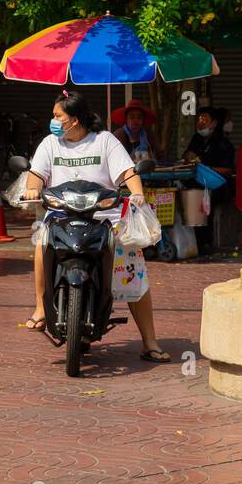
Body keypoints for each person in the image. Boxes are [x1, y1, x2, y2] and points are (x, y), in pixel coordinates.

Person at [21, 90, 169, 362]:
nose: (53, 120)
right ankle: (41, 307)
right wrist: (32, 189)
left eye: (57, 116)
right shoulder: (50, 144)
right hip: (61, 217)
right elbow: (35, 175)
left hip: (106, 219)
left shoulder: (104, 141)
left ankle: (150, 342)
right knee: (41, 242)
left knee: (133, 274)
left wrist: (136, 193)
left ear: (74, 120)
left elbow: (128, 173)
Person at [181, 105, 235, 255]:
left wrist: (208, 168)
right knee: (187, 192)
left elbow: (228, 170)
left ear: (214, 123)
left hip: (219, 185)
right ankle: (193, 241)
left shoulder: (223, 144)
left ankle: (205, 242)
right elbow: (187, 157)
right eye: (199, 119)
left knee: (203, 199)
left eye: (205, 120)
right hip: (198, 182)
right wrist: (189, 156)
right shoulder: (197, 139)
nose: (201, 123)